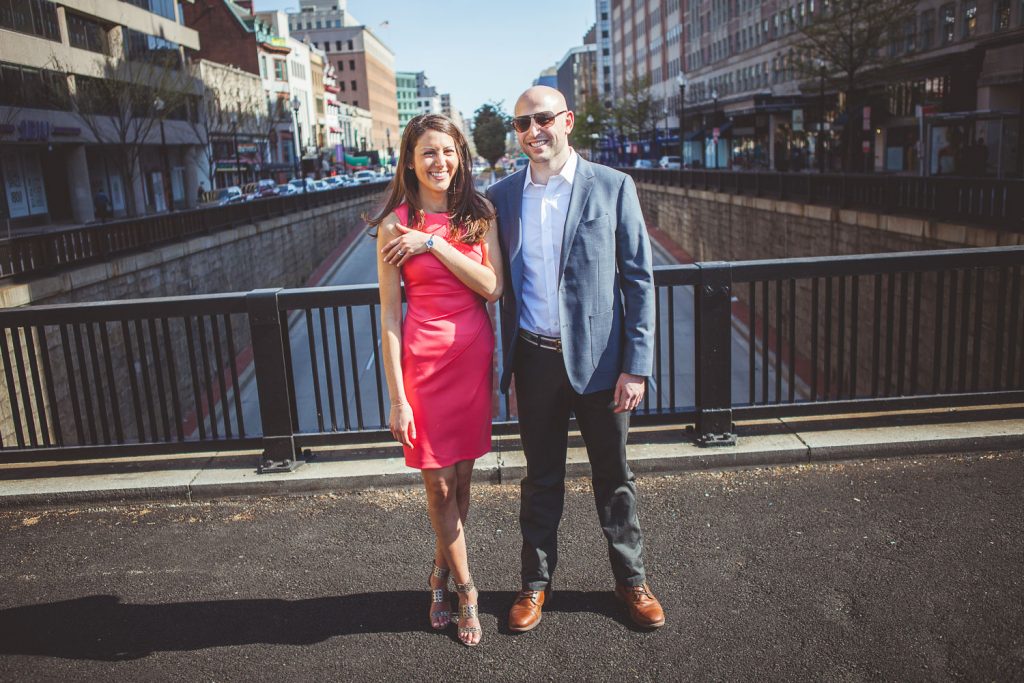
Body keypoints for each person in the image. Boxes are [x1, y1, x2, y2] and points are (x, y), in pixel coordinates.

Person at [486, 86, 665, 632]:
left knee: (615, 479)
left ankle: (631, 581)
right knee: (540, 480)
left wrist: (636, 365)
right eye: (521, 123)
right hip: (536, 361)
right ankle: (534, 586)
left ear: (566, 120)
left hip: (603, 364)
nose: (532, 131)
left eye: (542, 119)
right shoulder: (502, 196)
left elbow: (638, 279)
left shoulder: (612, 186)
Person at [368, 113, 503, 647]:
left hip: (471, 364)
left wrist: (435, 245)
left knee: (463, 484)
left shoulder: (479, 215)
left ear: (460, 157)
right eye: (427, 152)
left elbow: (492, 287)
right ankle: (468, 590)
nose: (439, 162)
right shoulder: (393, 224)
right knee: (439, 484)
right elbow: (389, 320)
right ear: (409, 160)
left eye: (448, 151)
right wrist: (397, 399)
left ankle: (439, 574)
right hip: (422, 371)